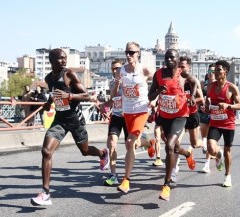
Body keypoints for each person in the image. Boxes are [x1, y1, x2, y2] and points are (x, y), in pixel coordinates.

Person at [30, 48, 110, 206]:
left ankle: (102, 154)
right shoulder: (49, 78)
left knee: (85, 151)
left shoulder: (69, 74)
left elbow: (87, 96)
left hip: (75, 120)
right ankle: (45, 193)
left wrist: (70, 96)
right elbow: (54, 97)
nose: (64, 61)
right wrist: (48, 103)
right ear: (51, 60)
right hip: (60, 120)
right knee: (46, 151)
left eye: (65, 58)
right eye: (60, 58)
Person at [148, 49, 198, 201]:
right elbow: (150, 96)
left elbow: (194, 82)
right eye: (167, 57)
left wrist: (193, 96)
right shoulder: (158, 74)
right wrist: (157, 91)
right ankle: (187, 154)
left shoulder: (182, 73)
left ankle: (167, 185)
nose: (169, 60)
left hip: (180, 114)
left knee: (169, 146)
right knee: (175, 147)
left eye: (172, 57)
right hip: (164, 115)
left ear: (177, 60)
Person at [100, 59, 155, 186]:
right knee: (112, 143)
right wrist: (105, 105)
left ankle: (149, 143)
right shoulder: (113, 82)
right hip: (117, 115)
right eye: (113, 69)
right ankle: (113, 175)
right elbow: (113, 99)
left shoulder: (131, 79)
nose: (115, 71)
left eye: (117, 68)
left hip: (130, 114)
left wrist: (151, 100)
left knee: (133, 145)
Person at [115, 42, 155, 194]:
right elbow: (118, 89)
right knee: (135, 144)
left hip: (142, 109)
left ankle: (126, 180)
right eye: (127, 52)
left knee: (129, 142)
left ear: (138, 53)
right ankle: (150, 143)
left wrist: (154, 99)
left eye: (131, 52)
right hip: (127, 110)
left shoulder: (144, 69)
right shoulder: (121, 71)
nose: (128, 55)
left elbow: (157, 83)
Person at [205, 60, 240, 187]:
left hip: (228, 124)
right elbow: (207, 102)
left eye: (218, 70)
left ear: (225, 72)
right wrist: (206, 107)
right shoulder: (210, 86)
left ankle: (227, 176)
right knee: (210, 147)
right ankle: (217, 154)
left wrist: (228, 105)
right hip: (215, 122)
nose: (215, 72)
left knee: (227, 151)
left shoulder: (231, 88)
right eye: (214, 70)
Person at [171, 56, 205, 182]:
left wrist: (191, 100)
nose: (180, 69)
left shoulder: (192, 81)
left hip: (191, 114)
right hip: (179, 116)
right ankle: (173, 172)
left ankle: (204, 143)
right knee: (175, 144)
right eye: (179, 66)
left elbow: (201, 100)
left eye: (183, 67)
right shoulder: (176, 79)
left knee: (194, 143)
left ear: (189, 68)